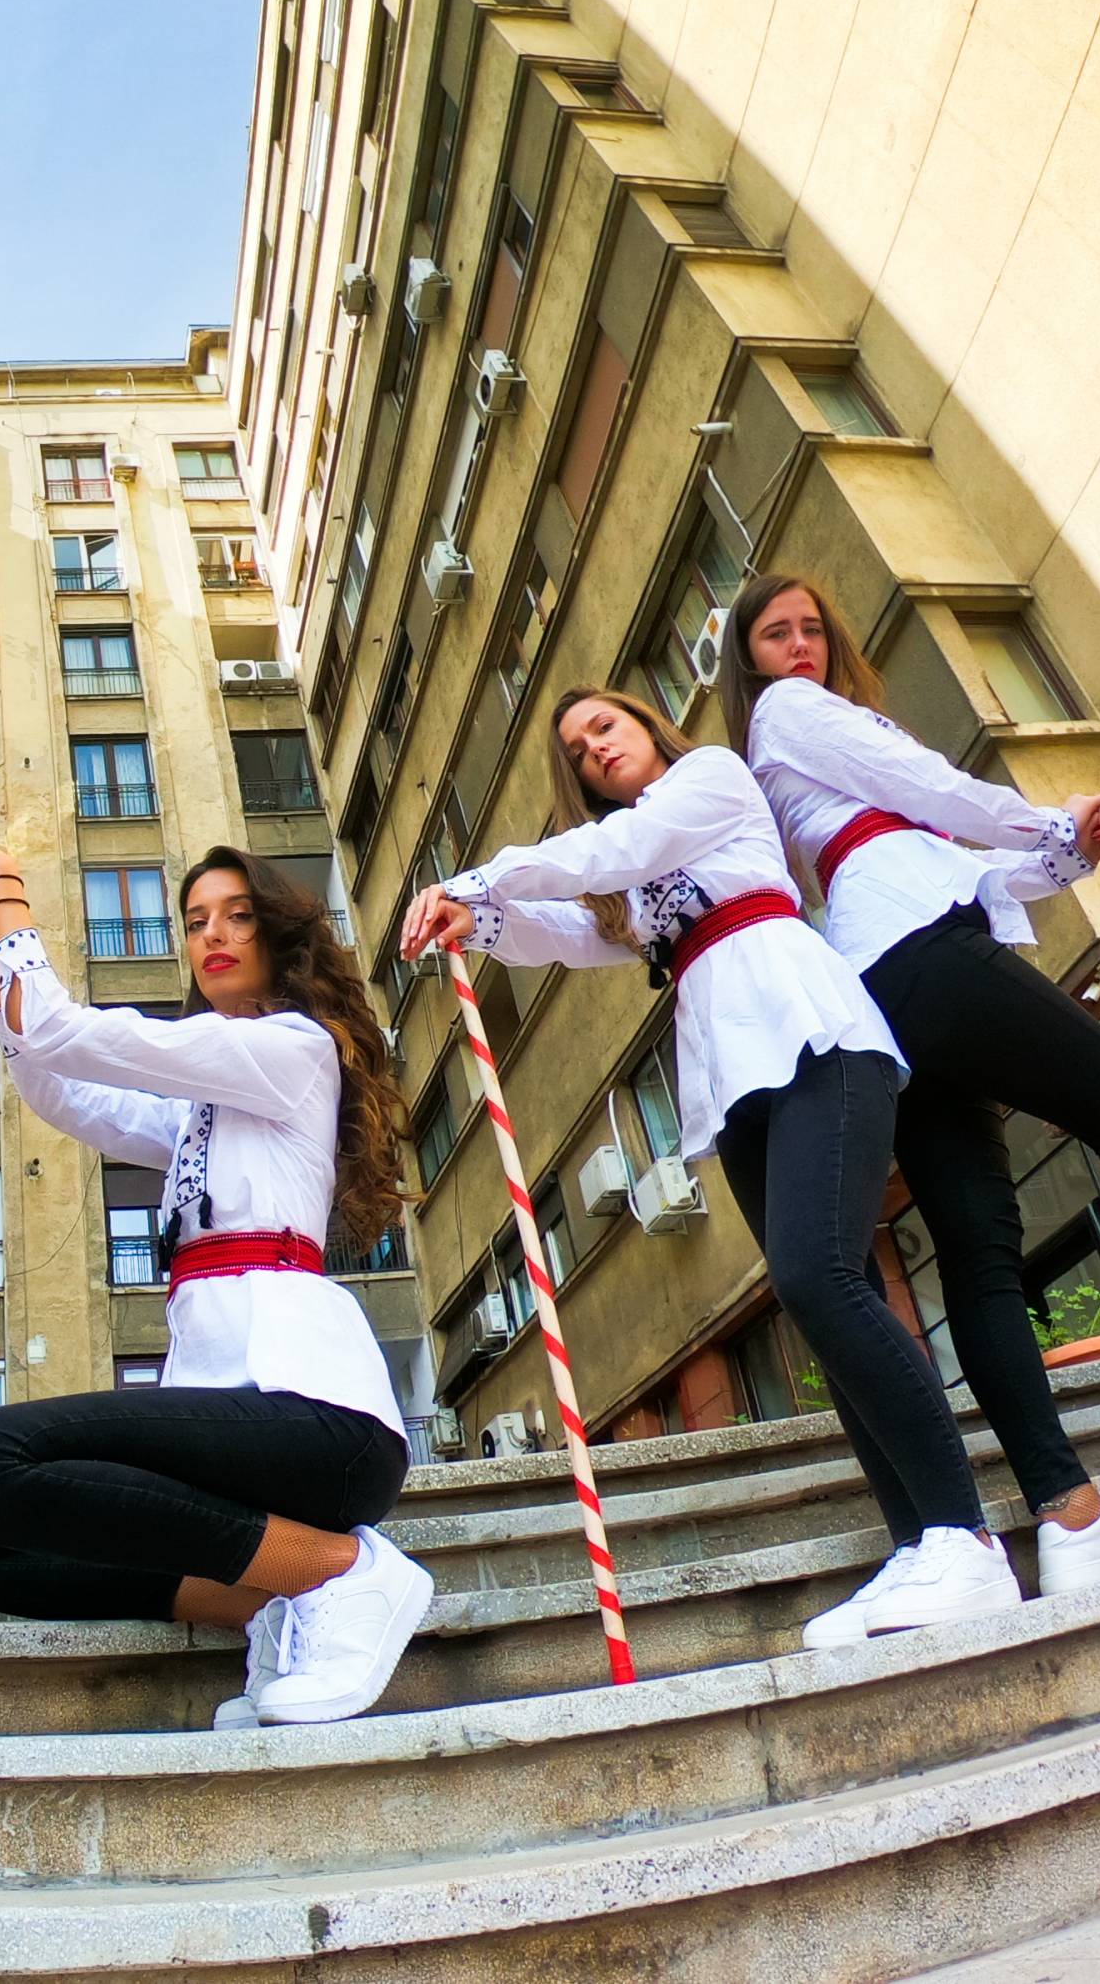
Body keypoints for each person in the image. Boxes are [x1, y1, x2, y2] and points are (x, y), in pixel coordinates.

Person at [403, 687, 1025, 1647]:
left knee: (820, 1277)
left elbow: (608, 853)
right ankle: (917, 1546)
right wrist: (475, 924)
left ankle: (964, 1538)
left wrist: (475, 880)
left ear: (647, 723)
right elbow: (575, 933)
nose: (593, 750)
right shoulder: (638, 876)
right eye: (577, 751)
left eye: (604, 726)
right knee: (827, 1298)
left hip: (810, 1029)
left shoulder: (710, 779)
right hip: (731, 1072)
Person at [0, 836, 427, 1728]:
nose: (213, 936)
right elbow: (61, 1087)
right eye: (195, 922)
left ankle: (344, 1573)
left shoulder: (292, 1047)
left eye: (238, 916)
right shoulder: (202, 1109)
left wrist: (7, 888)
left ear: (281, 935)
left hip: (312, 1416)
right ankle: (276, 1602)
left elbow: (63, 1029)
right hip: (225, 1420)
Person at [722, 572, 1100, 1619]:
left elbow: (961, 861)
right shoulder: (792, 712)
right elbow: (931, 786)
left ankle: (1071, 1518)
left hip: (897, 979)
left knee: (981, 1260)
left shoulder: (821, 770)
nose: (800, 644)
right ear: (749, 660)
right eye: (776, 632)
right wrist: (1045, 818)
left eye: (813, 627)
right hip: (918, 952)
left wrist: (1064, 846)